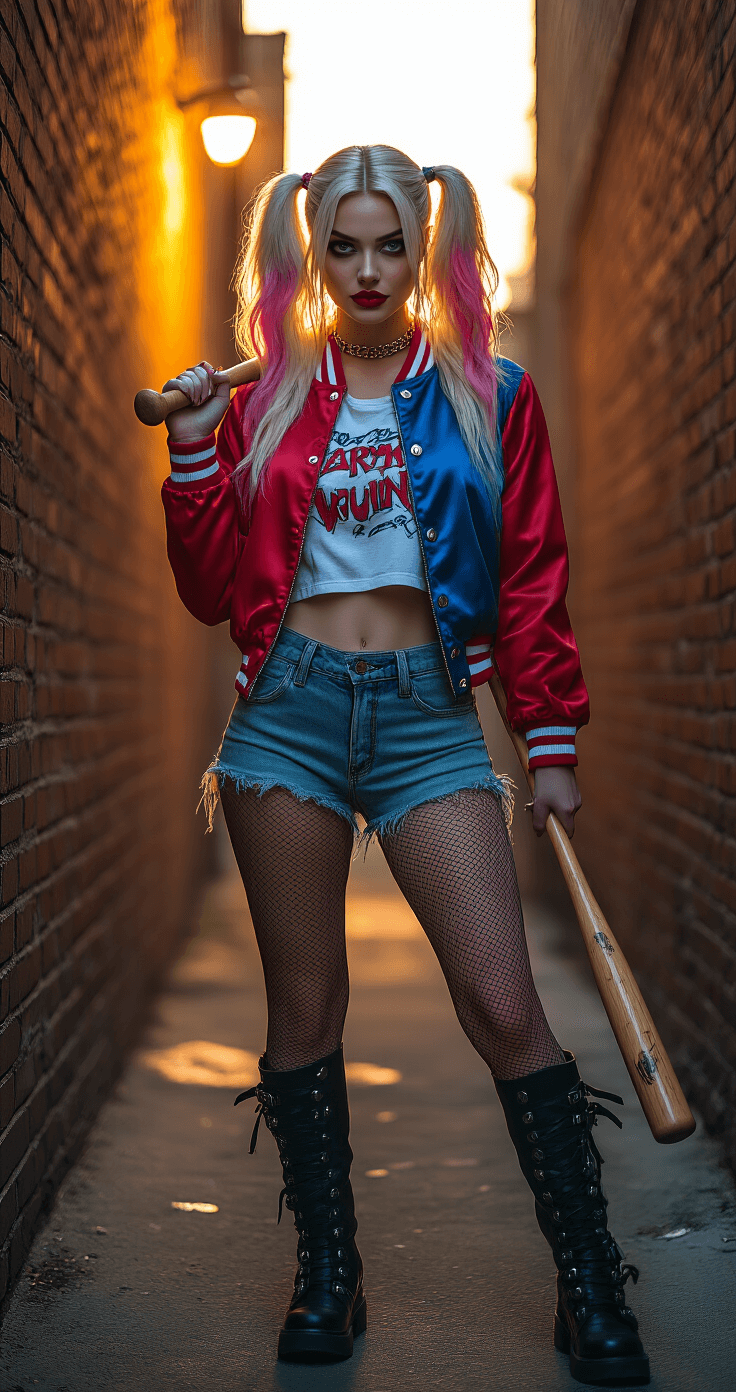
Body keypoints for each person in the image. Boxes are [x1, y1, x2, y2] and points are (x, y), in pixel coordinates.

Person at [159, 145, 649, 1385]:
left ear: (420, 247)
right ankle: (330, 1271)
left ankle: (589, 1280)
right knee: (305, 1013)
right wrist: (196, 455)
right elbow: (215, 590)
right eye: (344, 246)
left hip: (433, 716)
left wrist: (547, 742)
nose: (369, 270)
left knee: (500, 1002)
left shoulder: (493, 392)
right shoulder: (264, 395)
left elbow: (532, 577)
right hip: (288, 714)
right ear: (308, 250)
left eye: (391, 245)